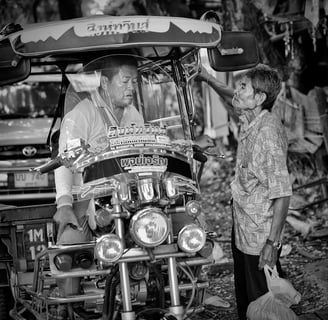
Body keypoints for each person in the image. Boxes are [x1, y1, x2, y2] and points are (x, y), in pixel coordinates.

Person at [197, 64, 292, 319]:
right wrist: (207, 78)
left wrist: (272, 244)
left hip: (260, 237)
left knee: (263, 302)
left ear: (259, 98)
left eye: (243, 87)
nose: (236, 92)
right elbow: (230, 95)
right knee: (248, 298)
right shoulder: (251, 118)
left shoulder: (267, 133)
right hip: (243, 228)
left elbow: (283, 193)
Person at [53, 55, 144, 310]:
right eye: (125, 81)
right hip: (89, 198)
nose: (131, 87)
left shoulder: (133, 114)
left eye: (135, 82)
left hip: (127, 198)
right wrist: (64, 203)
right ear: (105, 82)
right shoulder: (82, 114)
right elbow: (64, 161)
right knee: (71, 245)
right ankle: (70, 307)